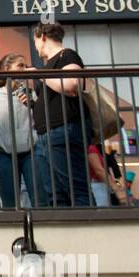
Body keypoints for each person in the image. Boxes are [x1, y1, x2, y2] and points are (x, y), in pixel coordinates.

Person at [30, 21, 91, 207]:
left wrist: (39, 74)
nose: (36, 47)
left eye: (35, 42)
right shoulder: (48, 65)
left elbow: (72, 85)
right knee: (55, 194)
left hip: (63, 129)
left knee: (74, 188)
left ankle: (89, 229)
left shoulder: (67, 55)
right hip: (46, 134)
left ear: (43, 36)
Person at [0, 52, 37, 209]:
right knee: (9, 203)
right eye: (20, 65)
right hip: (4, 154)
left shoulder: (32, 95)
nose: (24, 69)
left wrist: (33, 104)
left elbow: (40, 122)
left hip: (30, 152)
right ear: (7, 68)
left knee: (38, 199)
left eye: (26, 66)